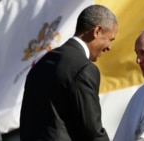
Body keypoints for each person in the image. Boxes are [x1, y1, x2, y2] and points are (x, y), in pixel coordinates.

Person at [20, 4, 118, 141]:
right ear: (97, 31)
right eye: (110, 39)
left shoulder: (41, 64)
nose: (109, 47)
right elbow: (92, 131)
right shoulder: (84, 68)